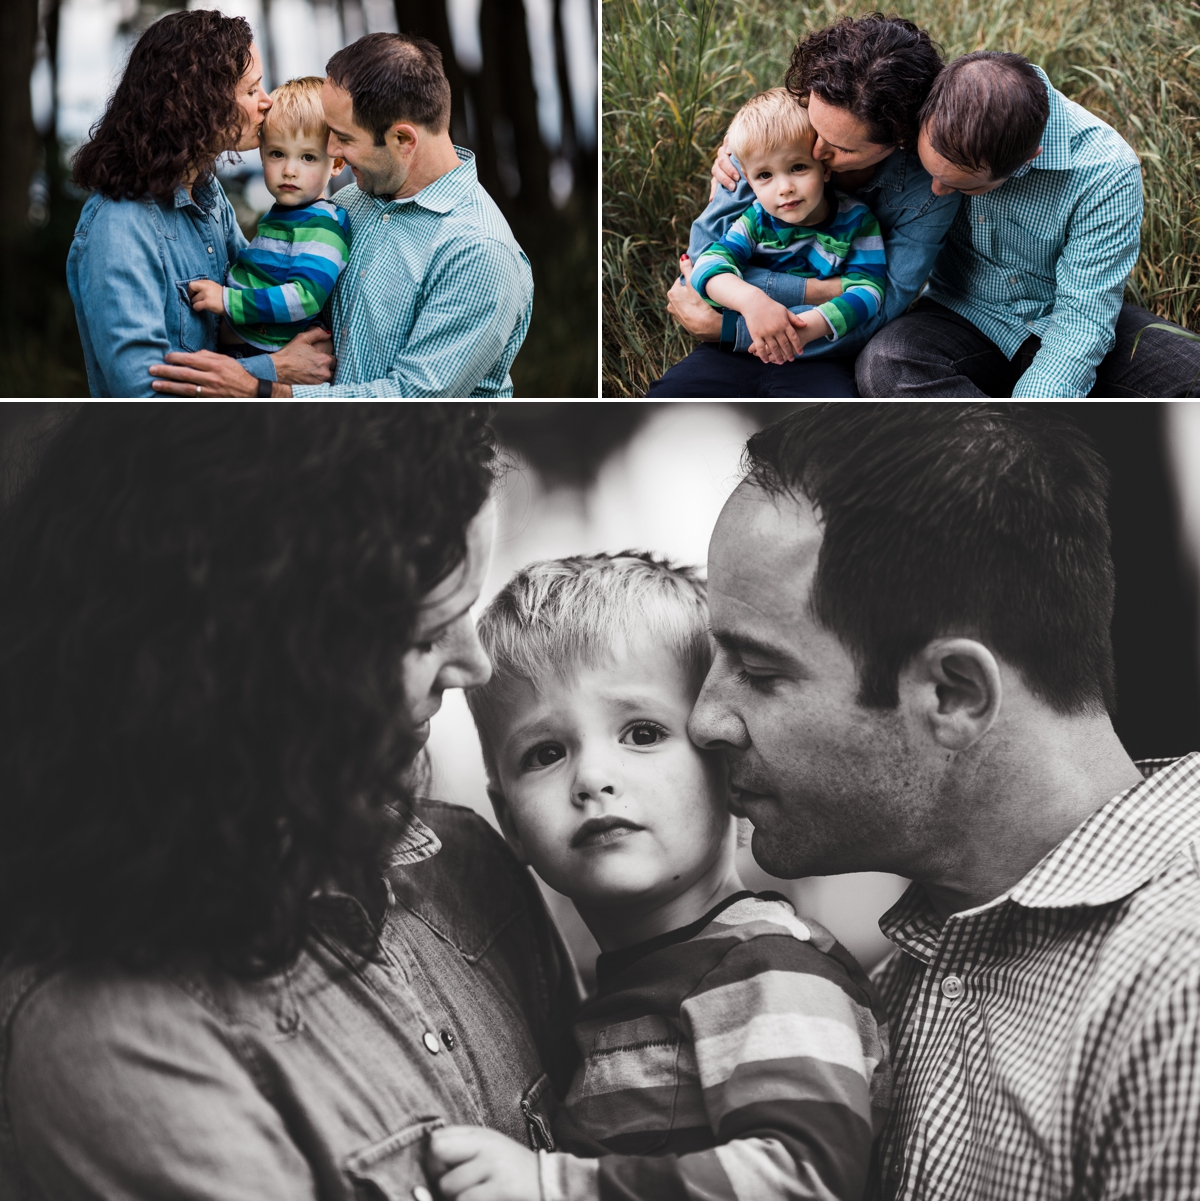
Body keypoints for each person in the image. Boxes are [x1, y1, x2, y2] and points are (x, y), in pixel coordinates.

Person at [0, 406, 578, 1200]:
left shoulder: (470, 867)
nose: (474, 665)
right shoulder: (113, 1040)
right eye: (424, 634)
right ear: (273, 660)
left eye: (467, 616)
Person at [688, 403, 1200, 1199]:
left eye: (759, 671)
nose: (704, 718)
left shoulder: (1178, 988)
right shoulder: (880, 994)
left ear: (954, 693)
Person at [426, 553, 889, 1201]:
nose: (592, 778)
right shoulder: (618, 993)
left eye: (642, 732)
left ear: (728, 766)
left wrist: (552, 1185)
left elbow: (806, 1177)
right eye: (546, 752)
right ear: (509, 821)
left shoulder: (765, 969)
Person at [150, 33, 534, 398]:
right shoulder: (351, 202)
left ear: (403, 140)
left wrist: (260, 387)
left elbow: (412, 399)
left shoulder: (479, 252)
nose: (330, 150)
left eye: (344, 138)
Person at [856, 52, 1200, 397]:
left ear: (1027, 157)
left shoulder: (1106, 171)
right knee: (885, 363)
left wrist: (1032, 410)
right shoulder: (941, 103)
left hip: (1065, 314)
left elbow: (1082, 321)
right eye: (931, 172)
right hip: (961, 313)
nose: (936, 191)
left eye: (963, 187)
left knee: (1190, 377)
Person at [650, 14, 959, 398]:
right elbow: (702, 263)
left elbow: (876, 306)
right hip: (734, 348)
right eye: (816, 126)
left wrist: (730, 326)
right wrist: (822, 290)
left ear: (898, 140)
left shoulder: (922, 195)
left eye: (842, 147)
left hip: (819, 357)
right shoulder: (782, 127)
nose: (815, 150)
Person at [67, 10, 334, 397]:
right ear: (201, 103)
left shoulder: (206, 194)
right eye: (251, 90)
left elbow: (256, 284)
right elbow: (144, 394)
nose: (267, 103)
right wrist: (272, 369)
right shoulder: (120, 227)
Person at [690, 89, 887, 365]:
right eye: (765, 175)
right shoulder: (756, 220)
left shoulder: (858, 222)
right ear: (748, 180)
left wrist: (806, 327)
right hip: (742, 347)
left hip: (816, 353)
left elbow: (869, 290)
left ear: (825, 168)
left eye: (797, 167)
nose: (784, 188)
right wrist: (752, 302)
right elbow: (708, 264)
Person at [187, 76, 351, 366]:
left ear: (337, 163)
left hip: (264, 353)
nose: (289, 170)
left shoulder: (322, 227)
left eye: (308, 158)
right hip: (246, 346)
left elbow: (305, 297)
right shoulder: (287, 215)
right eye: (277, 153)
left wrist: (227, 301)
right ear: (262, 154)